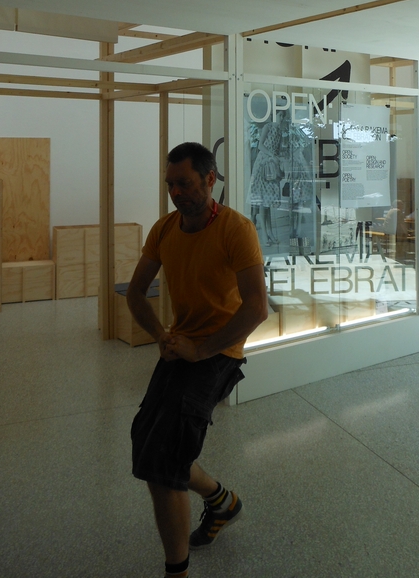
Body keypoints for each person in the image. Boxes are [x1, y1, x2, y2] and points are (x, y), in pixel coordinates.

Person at [127, 142, 267, 578]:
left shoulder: (236, 229)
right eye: (171, 184)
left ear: (209, 179)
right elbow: (135, 292)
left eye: (185, 184)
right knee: (146, 441)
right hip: (181, 347)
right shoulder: (164, 229)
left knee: (163, 463)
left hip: (219, 351)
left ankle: (178, 571)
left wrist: (202, 349)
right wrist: (160, 335)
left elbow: (256, 308)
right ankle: (222, 501)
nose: (176, 193)